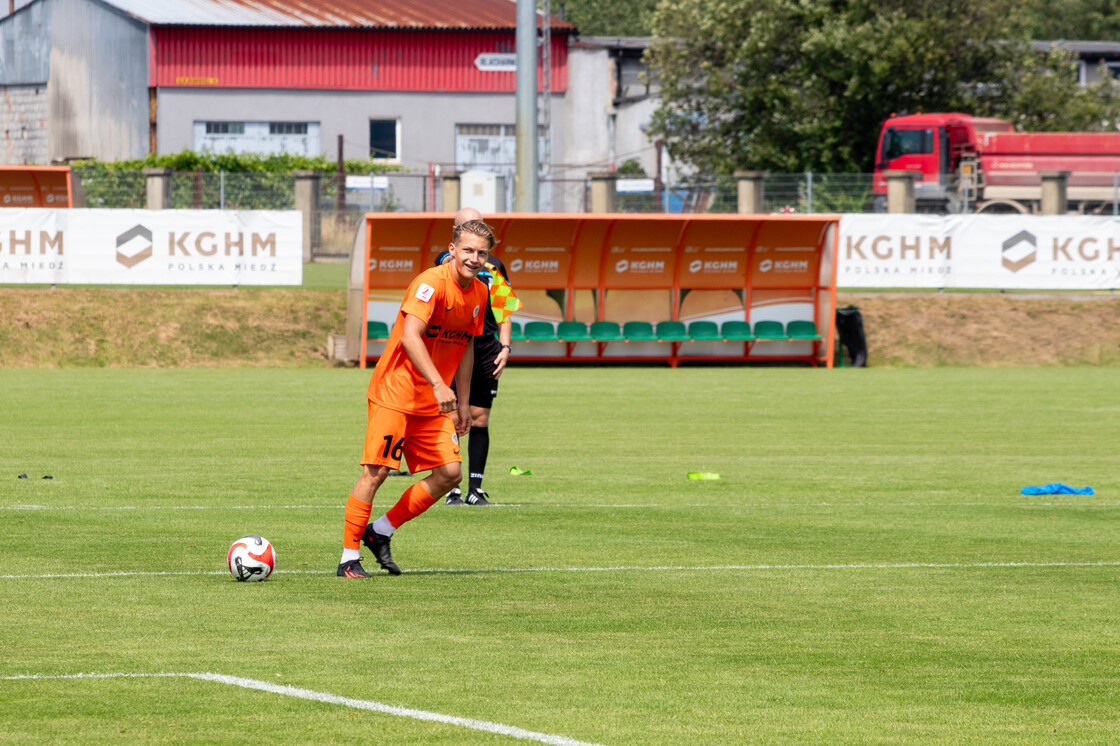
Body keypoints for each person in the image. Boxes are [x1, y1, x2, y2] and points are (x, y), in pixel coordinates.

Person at [337, 219, 494, 578]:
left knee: (451, 473)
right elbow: (410, 335)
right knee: (376, 473)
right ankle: (348, 557)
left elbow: (467, 347)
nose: (474, 258)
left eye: (481, 253)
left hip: (434, 401)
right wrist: (441, 385)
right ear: (452, 250)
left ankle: (380, 531)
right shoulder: (430, 283)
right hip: (396, 392)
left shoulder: (480, 293)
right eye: (468, 250)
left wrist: (463, 401)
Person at [440, 207, 515, 506]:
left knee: (481, 417)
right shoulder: (444, 263)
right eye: (467, 227)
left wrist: (505, 348)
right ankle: (451, 487)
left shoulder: (494, 266)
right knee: (451, 416)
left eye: (479, 226)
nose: (474, 256)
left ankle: (474, 489)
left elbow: (504, 308)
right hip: (454, 344)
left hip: (485, 348)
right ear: (455, 235)